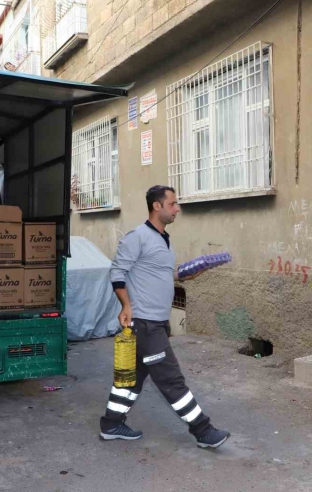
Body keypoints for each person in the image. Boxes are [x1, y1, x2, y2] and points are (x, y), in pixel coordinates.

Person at [99, 185, 231, 449]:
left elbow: (164, 273)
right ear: (157, 206)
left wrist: (192, 271)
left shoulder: (163, 240)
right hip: (144, 323)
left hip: (155, 321)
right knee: (171, 379)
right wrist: (126, 306)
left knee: (131, 380)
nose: (177, 208)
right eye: (172, 204)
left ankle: (112, 423)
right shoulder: (137, 237)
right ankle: (203, 430)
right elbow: (116, 272)